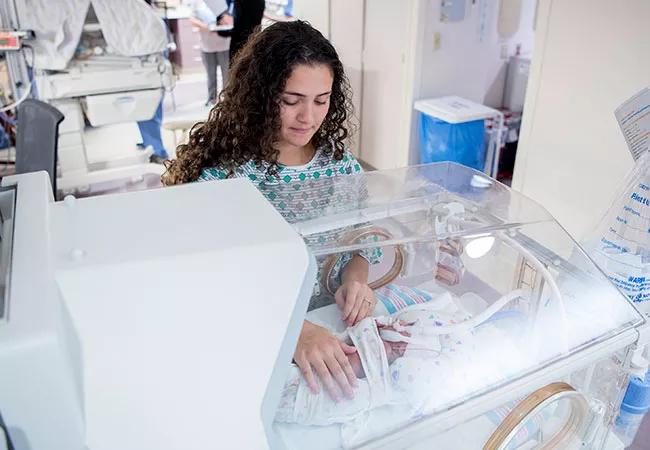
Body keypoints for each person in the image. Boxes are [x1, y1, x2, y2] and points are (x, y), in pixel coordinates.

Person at [163, 21, 379, 403]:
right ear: (261, 95)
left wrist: (356, 281)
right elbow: (214, 281)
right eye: (291, 100)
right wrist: (296, 331)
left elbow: (358, 240)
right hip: (259, 334)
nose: (308, 117)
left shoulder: (340, 165)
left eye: (321, 100)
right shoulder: (224, 178)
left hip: (331, 326)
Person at [190, 0, 231, 106]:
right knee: (211, 74)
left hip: (224, 45)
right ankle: (212, 99)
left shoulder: (224, 3)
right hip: (207, 46)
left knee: (226, 74)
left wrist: (223, 23)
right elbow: (192, 19)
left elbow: (230, 17)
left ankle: (227, 100)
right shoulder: (198, 3)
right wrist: (206, 28)